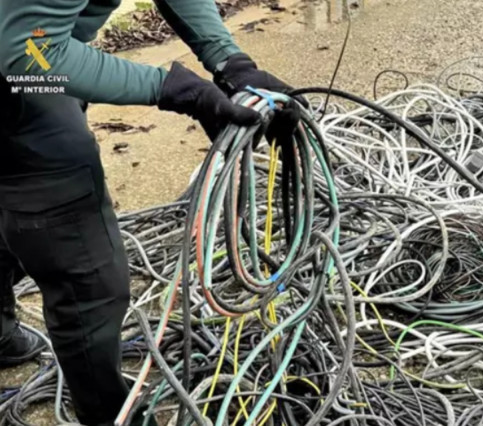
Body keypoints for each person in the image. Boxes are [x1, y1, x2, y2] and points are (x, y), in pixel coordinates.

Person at [0, 1, 302, 424]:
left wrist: (231, 62)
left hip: (23, 53)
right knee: (85, 268)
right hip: (22, 66)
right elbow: (31, 57)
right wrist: (176, 89)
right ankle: (108, 415)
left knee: (23, 206)